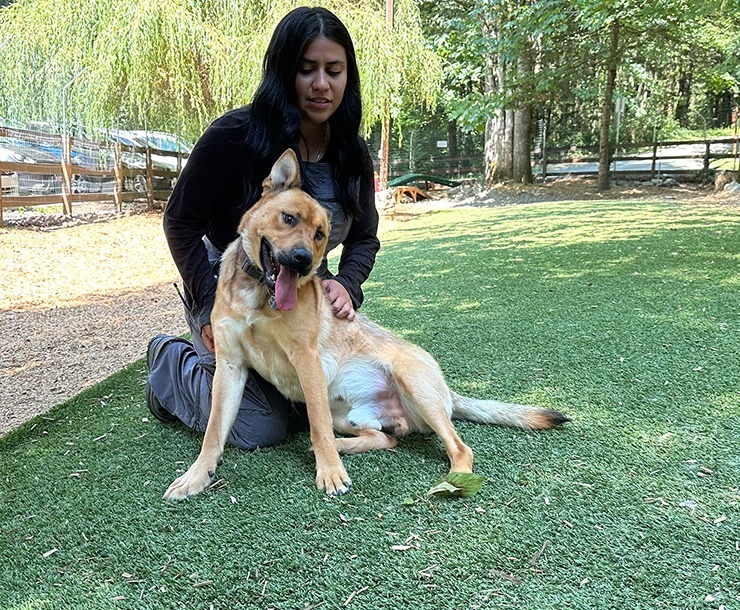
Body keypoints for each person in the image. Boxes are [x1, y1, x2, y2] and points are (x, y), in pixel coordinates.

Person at [146, 6, 380, 450]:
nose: (321, 84)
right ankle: (169, 362)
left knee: (322, 390)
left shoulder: (353, 154)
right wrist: (207, 297)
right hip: (228, 278)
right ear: (284, 71)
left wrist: (347, 283)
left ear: (348, 76)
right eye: (306, 69)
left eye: (334, 70)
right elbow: (179, 220)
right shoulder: (234, 136)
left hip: (299, 284)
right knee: (261, 427)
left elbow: (365, 236)